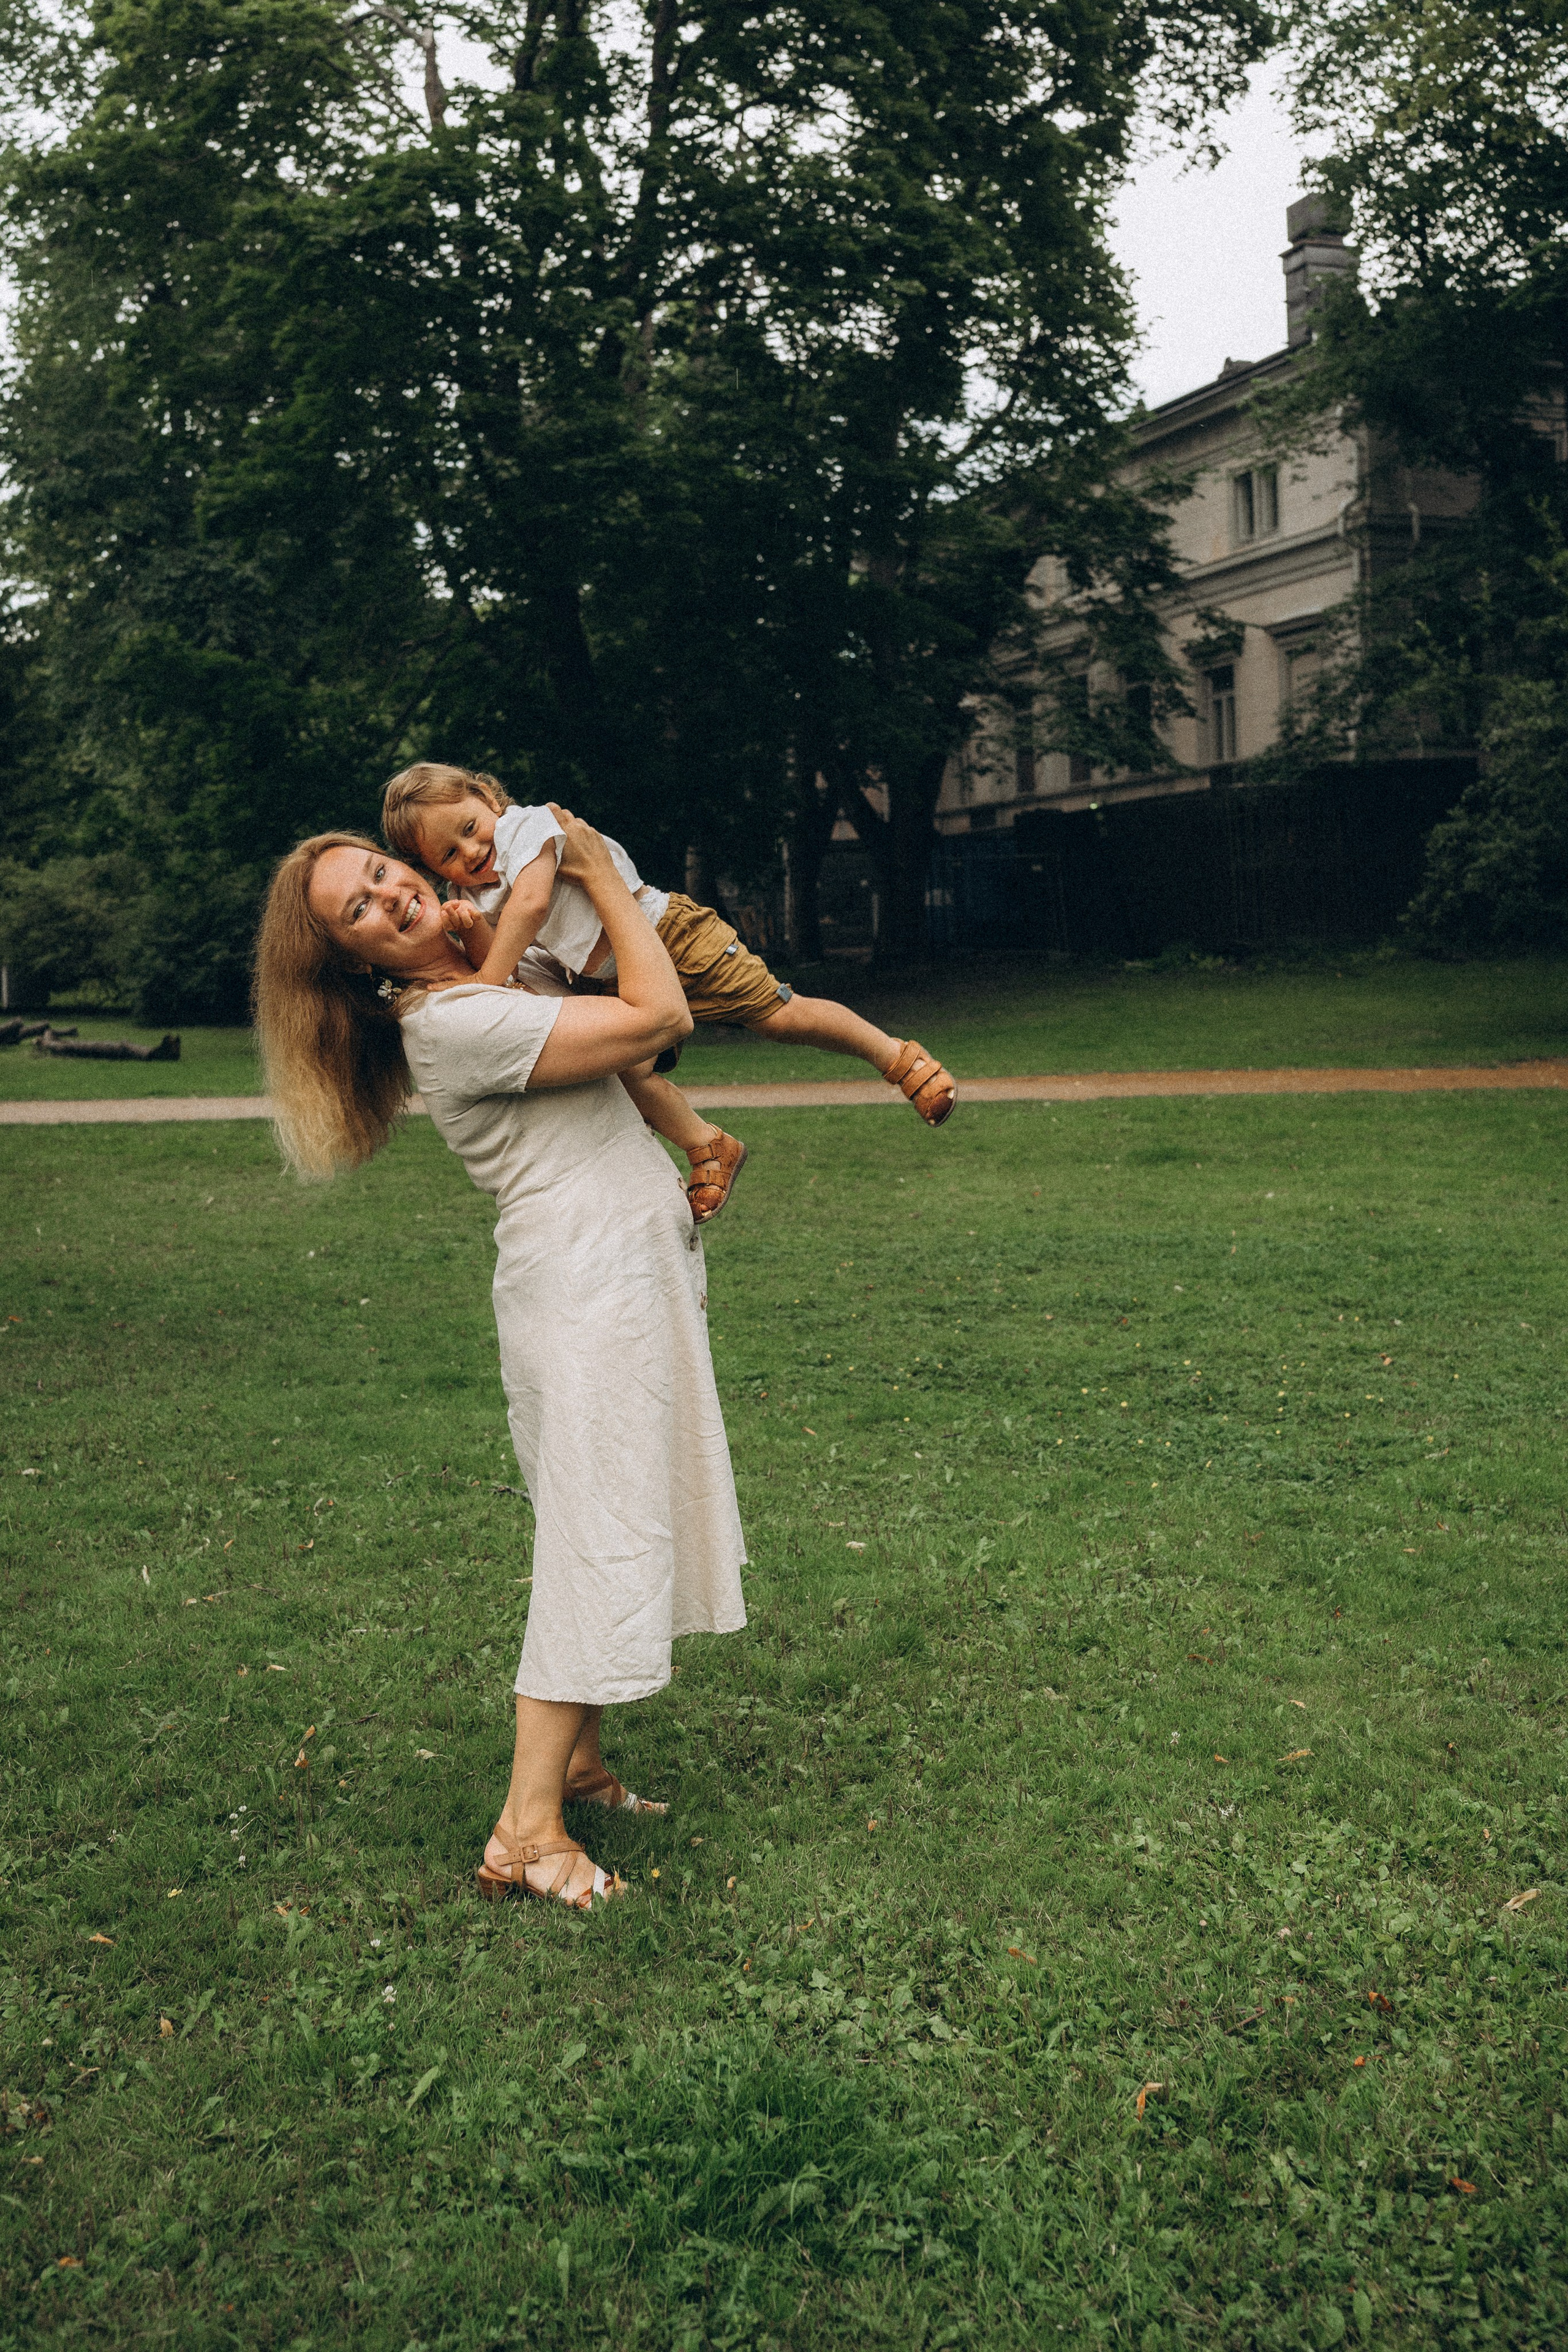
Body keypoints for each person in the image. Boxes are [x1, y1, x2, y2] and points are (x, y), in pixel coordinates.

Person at [252, 809, 747, 1910]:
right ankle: (525, 1836)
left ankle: (577, 1767)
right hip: (584, 1300)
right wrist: (593, 864)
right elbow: (660, 1014)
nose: (389, 897)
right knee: (596, 1535)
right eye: (358, 910)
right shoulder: (457, 1023)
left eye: (381, 874)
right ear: (349, 958)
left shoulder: (487, 975)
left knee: (609, 1515)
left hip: (613, 1280)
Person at [380, 764, 958, 1220]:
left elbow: (529, 911)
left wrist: (481, 980)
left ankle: (896, 1058)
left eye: (470, 828)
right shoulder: (479, 893)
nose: (472, 852)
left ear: (487, 799)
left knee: (779, 1016)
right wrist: (470, 926)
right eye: (449, 855)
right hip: (612, 977)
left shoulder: (527, 827)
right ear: (432, 868)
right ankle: (708, 1146)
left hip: (667, 933)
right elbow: (506, 965)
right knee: (629, 1076)